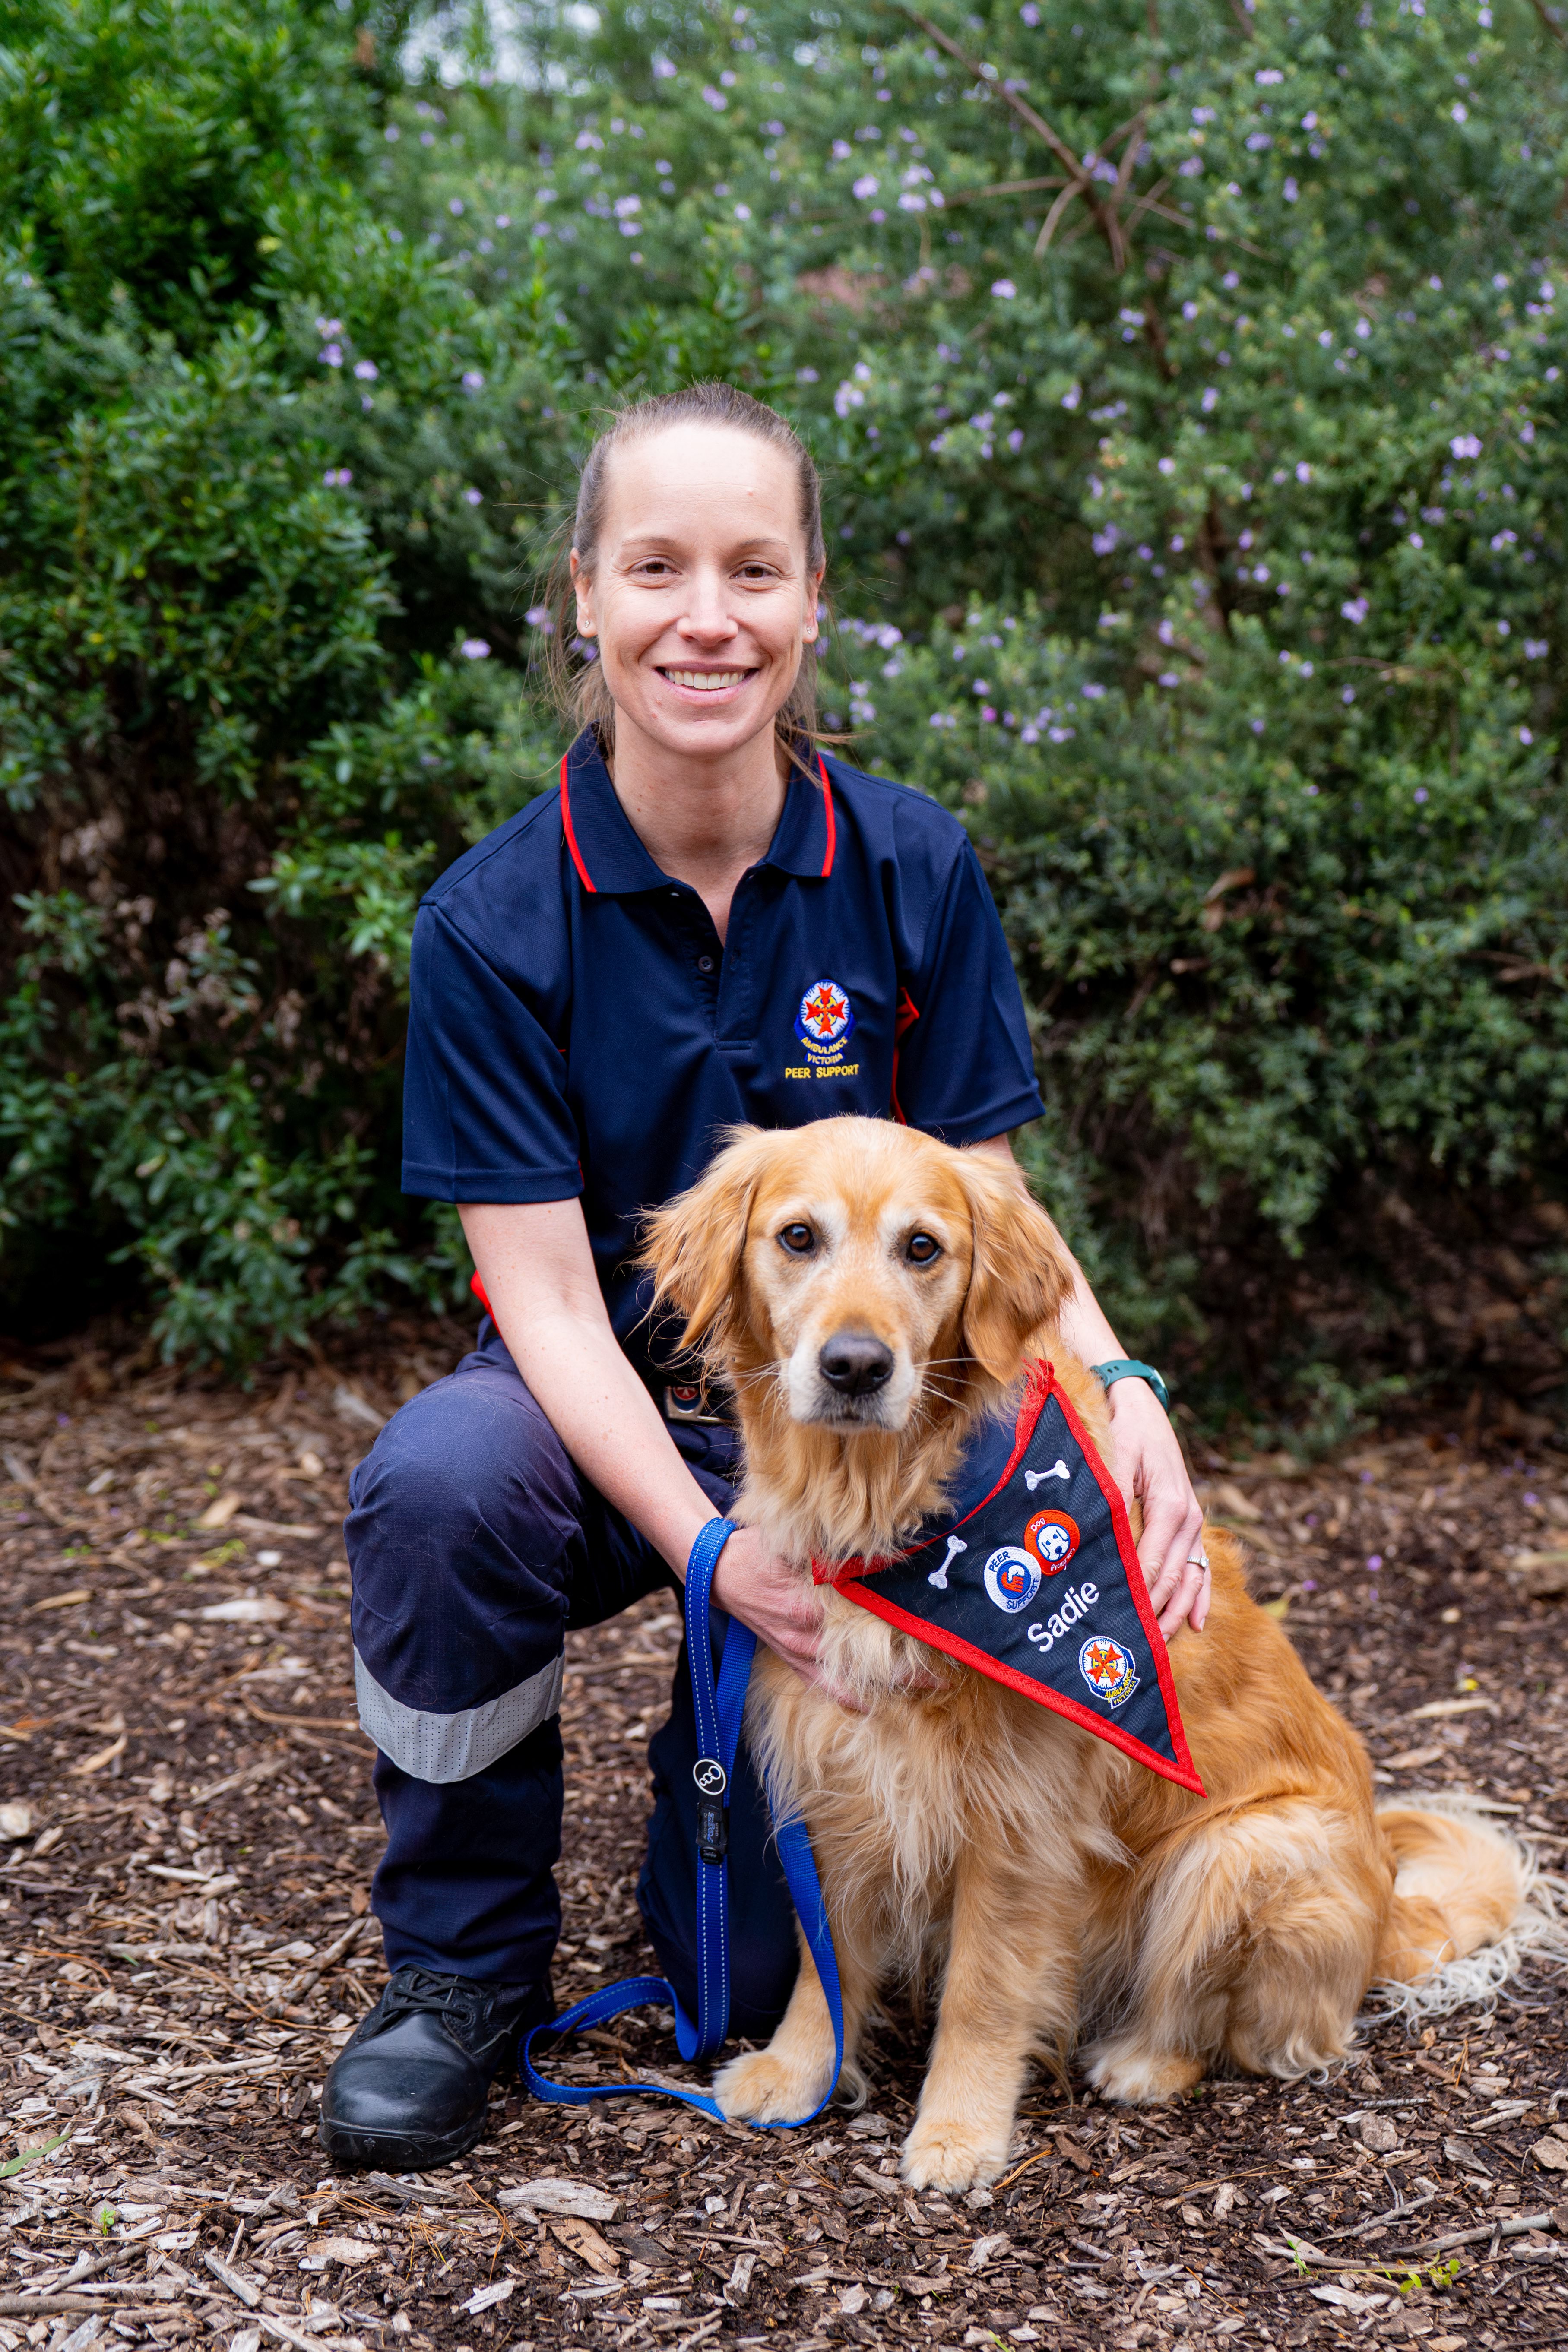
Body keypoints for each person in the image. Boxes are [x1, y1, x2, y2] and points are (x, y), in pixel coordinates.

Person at [320, 382, 1210, 2172]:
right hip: (617, 1416)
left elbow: (992, 1215)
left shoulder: (908, 864)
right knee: (434, 1482)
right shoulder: (493, 919)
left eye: (750, 567)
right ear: (585, 595)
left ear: (809, 600)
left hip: (884, 1434)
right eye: (655, 567)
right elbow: (551, 1309)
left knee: (725, 1990)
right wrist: (720, 1554)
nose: (702, 615)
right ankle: (459, 1974)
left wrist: (1123, 1399)